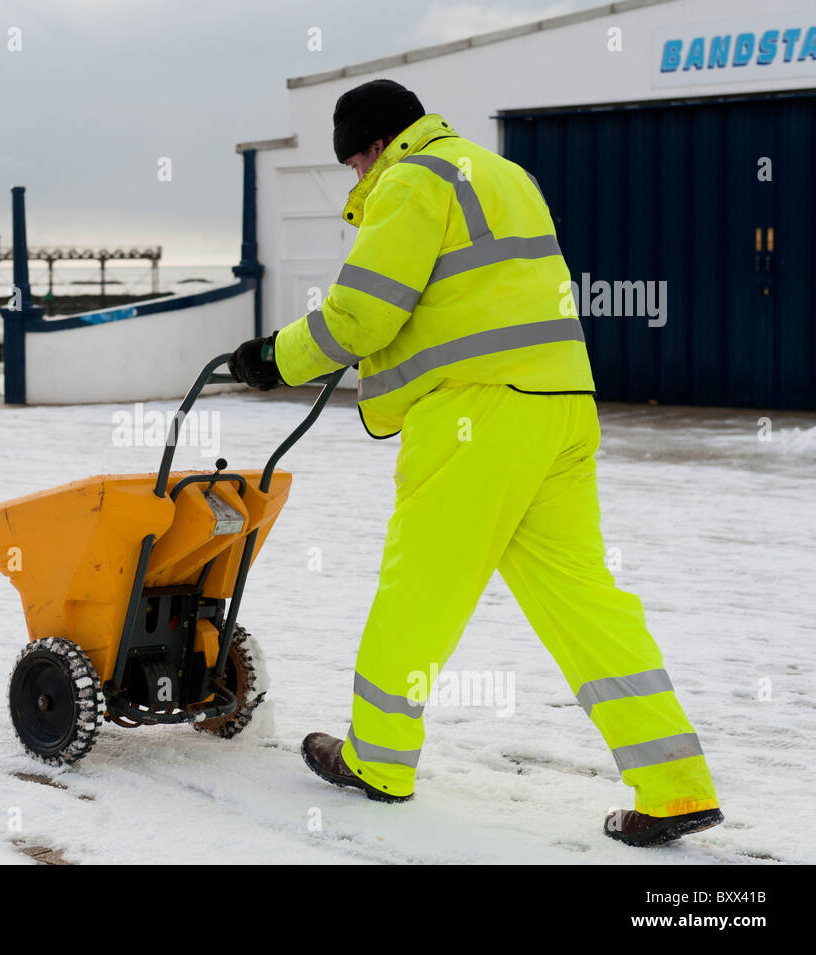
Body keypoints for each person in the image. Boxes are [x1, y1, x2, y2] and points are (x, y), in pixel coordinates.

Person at [227, 78, 722, 847]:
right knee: (588, 602)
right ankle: (674, 784)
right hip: (561, 403)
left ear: (374, 146)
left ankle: (378, 760)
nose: (358, 183)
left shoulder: (411, 181)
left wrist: (272, 358)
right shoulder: (501, 173)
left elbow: (364, 311)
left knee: (418, 589)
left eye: (355, 166)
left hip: (474, 416)